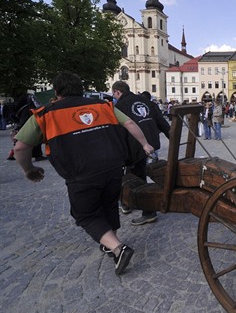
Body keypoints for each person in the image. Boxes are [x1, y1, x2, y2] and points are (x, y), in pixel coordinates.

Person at [14, 72, 155, 275]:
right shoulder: (103, 106)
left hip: (81, 173)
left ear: (57, 91)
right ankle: (110, 244)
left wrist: (29, 170)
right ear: (81, 88)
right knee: (109, 203)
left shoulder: (46, 114)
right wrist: (145, 144)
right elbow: (131, 123)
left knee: (85, 214)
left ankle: (118, 248)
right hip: (113, 166)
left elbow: (20, 148)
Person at [112, 81, 170, 226]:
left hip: (135, 146)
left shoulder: (120, 106)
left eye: (114, 94)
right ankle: (126, 203)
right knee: (139, 173)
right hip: (151, 143)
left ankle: (147, 211)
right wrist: (172, 139)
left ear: (117, 92)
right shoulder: (147, 101)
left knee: (135, 178)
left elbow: (119, 131)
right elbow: (163, 123)